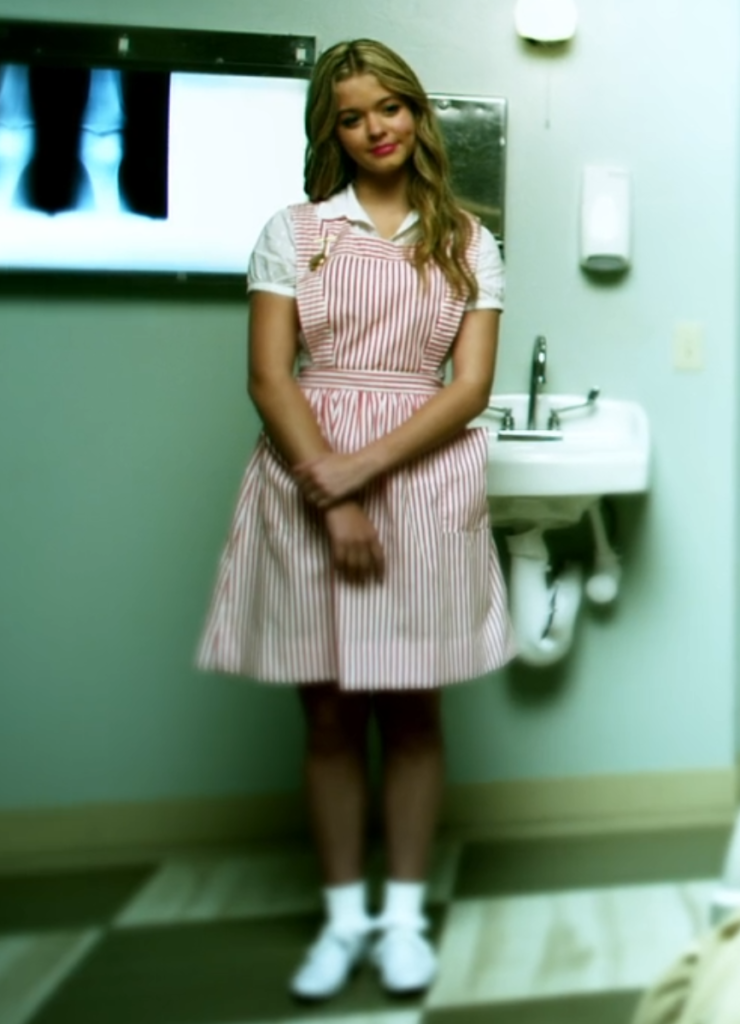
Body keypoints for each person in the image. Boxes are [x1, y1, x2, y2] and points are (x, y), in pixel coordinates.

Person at [197, 38, 515, 1000]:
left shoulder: (467, 240)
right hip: (306, 477)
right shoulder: (294, 233)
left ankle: (404, 921)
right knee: (330, 716)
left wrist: (360, 478)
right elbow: (269, 376)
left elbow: (468, 389)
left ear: (417, 114)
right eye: (351, 116)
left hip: (423, 481)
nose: (375, 129)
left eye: (390, 108)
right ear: (328, 132)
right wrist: (326, 492)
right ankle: (343, 923)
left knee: (414, 712)